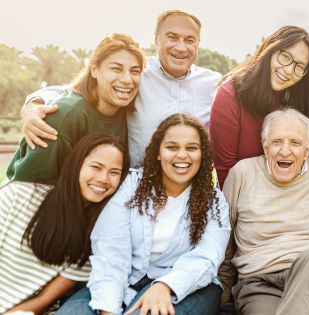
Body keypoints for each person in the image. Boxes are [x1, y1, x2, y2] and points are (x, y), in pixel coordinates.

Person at [56, 114, 229, 315]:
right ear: (158, 153)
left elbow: (207, 257)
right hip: (124, 279)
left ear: (202, 155)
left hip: (187, 286)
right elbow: (111, 248)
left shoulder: (213, 200)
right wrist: (108, 310)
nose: (182, 155)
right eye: (172, 147)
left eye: (191, 148)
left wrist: (165, 285)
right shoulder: (132, 186)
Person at [20, 10, 220, 167]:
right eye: (172, 37)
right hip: (132, 189)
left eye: (189, 40)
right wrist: (32, 106)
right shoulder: (136, 73)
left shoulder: (215, 85)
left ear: (198, 44)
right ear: (156, 39)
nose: (181, 47)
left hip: (189, 192)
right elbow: (76, 90)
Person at [218, 108, 309, 314]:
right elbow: (223, 237)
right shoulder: (242, 173)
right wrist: (222, 288)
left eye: (295, 143)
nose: (285, 151)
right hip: (259, 283)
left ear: (307, 149)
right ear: (265, 145)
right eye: (277, 142)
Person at [0, 134, 129, 314]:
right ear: (76, 165)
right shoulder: (19, 195)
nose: (103, 178)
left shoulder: (97, 235)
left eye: (114, 172)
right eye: (96, 167)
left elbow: (44, 300)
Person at [7, 33, 144, 182]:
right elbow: (29, 187)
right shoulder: (65, 116)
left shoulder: (129, 111)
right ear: (94, 70)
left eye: (135, 71)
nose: (127, 79)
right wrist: (31, 104)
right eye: (116, 69)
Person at [210, 25, 309, 186]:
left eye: (299, 66)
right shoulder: (230, 95)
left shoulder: (299, 101)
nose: (289, 70)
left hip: (293, 195)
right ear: (270, 50)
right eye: (285, 57)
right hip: (245, 198)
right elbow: (225, 172)